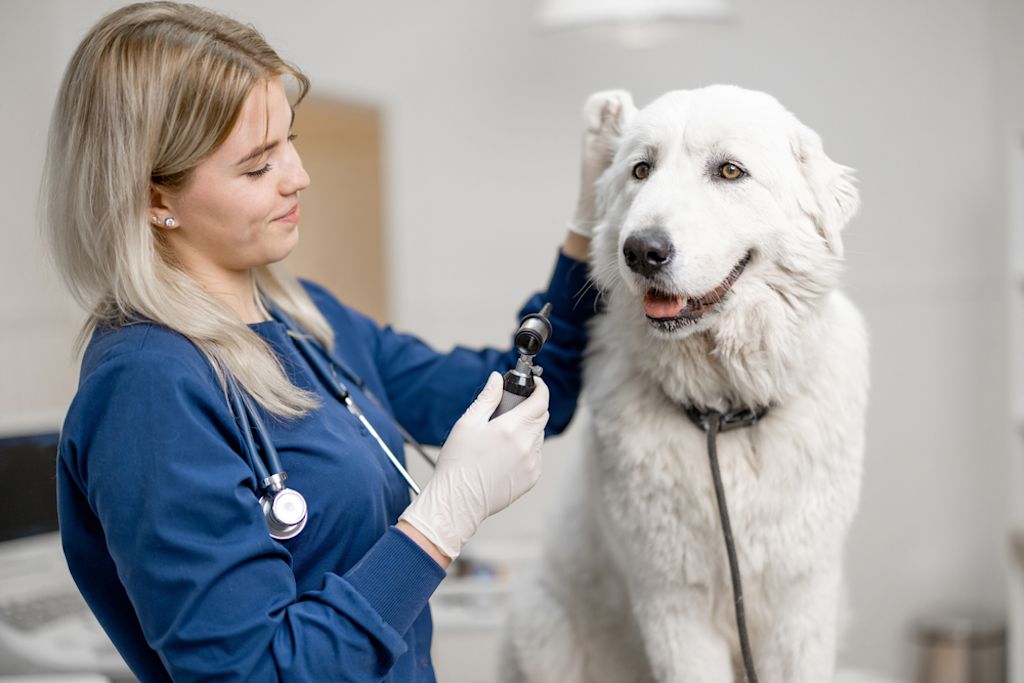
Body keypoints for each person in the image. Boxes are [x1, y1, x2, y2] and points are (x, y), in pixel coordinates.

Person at [42, 2, 614, 682]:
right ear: (152, 199)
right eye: (257, 166)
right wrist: (441, 518)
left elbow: (529, 386)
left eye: (289, 138)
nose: (297, 175)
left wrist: (588, 227)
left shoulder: (309, 320)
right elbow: (258, 672)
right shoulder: (146, 388)